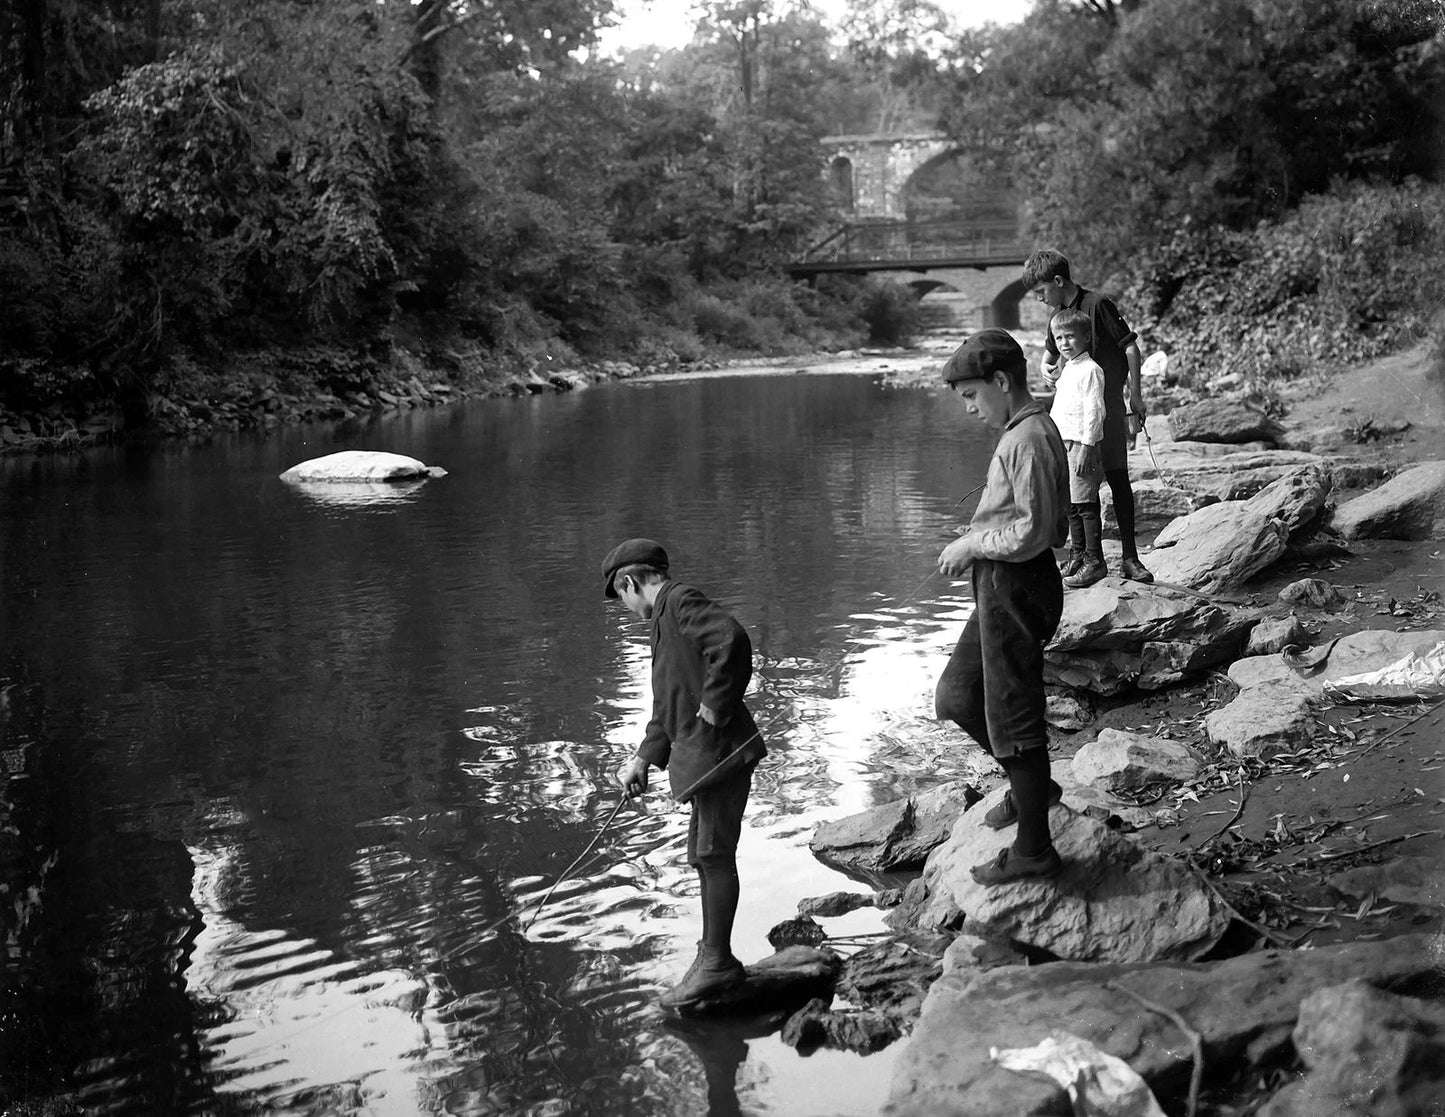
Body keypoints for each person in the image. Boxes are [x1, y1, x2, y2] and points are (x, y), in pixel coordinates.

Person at [604, 538, 767, 1007]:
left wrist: (715, 709)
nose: (628, 611)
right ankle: (711, 953)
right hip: (701, 760)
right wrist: (642, 758)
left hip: (720, 755)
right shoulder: (662, 621)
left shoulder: (678, 601)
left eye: (623, 600)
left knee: (714, 854)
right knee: (703, 853)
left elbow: (731, 640)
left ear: (629, 582)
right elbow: (668, 705)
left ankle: (718, 964)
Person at [934, 329, 1068, 884]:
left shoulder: (1029, 437)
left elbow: (1036, 532)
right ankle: (1031, 787)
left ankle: (1035, 848)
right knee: (958, 695)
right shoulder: (1018, 431)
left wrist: (971, 544)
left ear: (1002, 381)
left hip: (1018, 588)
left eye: (971, 396)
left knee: (1013, 712)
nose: (969, 408)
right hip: (998, 588)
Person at [1023, 248, 1154, 583]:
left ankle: (1130, 558)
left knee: (1118, 479)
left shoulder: (1098, 304)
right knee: (1078, 489)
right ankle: (1083, 557)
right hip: (1075, 416)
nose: (1040, 298)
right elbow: (1052, 351)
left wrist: (1135, 395)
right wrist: (1045, 363)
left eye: (1041, 291)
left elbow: (1130, 347)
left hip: (1106, 407)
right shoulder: (1058, 315)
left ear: (1058, 280)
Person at [1047, 307, 1109, 588]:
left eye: (1070, 337)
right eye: (1059, 338)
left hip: (1081, 444)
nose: (1064, 344)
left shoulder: (1091, 370)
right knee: (1071, 504)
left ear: (1086, 337)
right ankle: (1078, 555)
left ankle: (1095, 561)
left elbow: (1094, 411)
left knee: (1085, 504)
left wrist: (1087, 446)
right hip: (1063, 442)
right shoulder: (1068, 368)